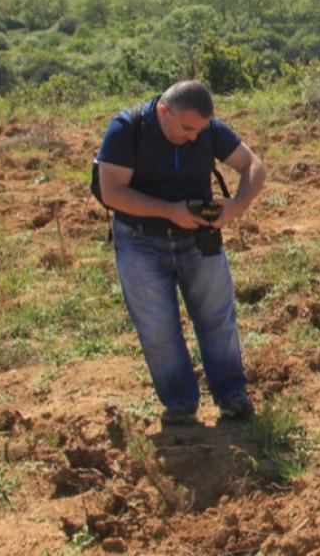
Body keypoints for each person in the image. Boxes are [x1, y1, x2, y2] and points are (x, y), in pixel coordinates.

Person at [96, 80, 266, 427]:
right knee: (158, 327)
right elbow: (110, 191)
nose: (193, 137)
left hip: (198, 240)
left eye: (200, 130)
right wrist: (169, 210)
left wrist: (236, 205)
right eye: (187, 128)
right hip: (141, 242)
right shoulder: (127, 129)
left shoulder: (206, 131)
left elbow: (252, 165)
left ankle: (232, 394)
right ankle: (179, 403)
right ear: (163, 112)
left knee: (217, 317)